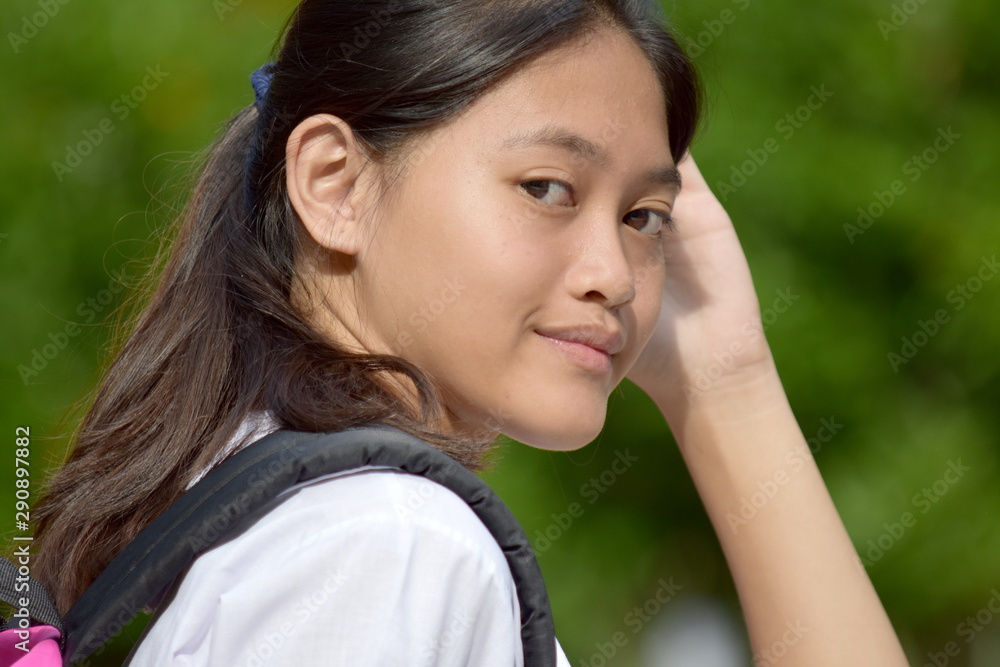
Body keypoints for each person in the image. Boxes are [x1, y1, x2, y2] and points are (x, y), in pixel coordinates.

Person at [30, 0, 909, 664]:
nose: (612, 270)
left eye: (644, 216)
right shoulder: (393, 544)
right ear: (336, 184)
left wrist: (726, 380)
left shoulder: (291, 515)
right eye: (547, 188)